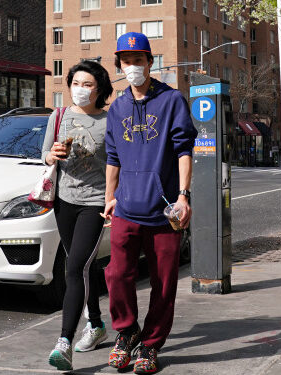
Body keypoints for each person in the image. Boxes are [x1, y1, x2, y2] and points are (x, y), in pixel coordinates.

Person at [102, 32, 197, 374]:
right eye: (126, 62)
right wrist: (109, 197)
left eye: (138, 60)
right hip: (126, 207)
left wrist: (183, 196)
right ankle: (126, 333)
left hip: (165, 210)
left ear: (150, 62)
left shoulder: (171, 101)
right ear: (120, 65)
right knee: (117, 275)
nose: (132, 67)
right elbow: (113, 157)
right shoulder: (117, 107)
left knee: (165, 281)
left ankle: (151, 344)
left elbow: (184, 150)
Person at [43, 60, 114, 371]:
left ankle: (64, 343)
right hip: (64, 200)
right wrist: (52, 154)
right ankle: (97, 324)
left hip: (94, 202)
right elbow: (44, 153)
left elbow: (116, 163)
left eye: (87, 84)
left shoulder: (110, 121)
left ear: (99, 89)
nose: (80, 89)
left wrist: (114, 199)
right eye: (76, 83)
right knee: (84, 266)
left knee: (73, 269)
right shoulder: (58, 116)